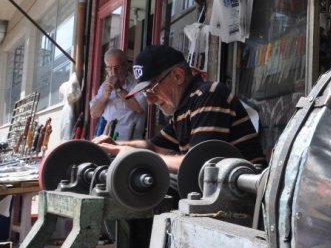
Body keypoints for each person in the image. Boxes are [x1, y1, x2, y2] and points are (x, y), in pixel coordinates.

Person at [93, 44, 265, 173]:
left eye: (152, 90)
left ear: (178, 76)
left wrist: (133, 155)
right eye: (146, 94)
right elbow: (153, 146)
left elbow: (199, 163)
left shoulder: (208, 95)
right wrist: (116, 145)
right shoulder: (182, 110)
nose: (151, 101)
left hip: (246, 194)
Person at [89, 48, 147, 143]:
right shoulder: (104, 86)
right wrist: (104, 97)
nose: (113, 72)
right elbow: (93, 114)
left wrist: (119, 89)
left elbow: (140, 109)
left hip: (130, 144)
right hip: (106, 142)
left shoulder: (137, 84)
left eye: (117, 67)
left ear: (126, 66)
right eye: (110, 68)